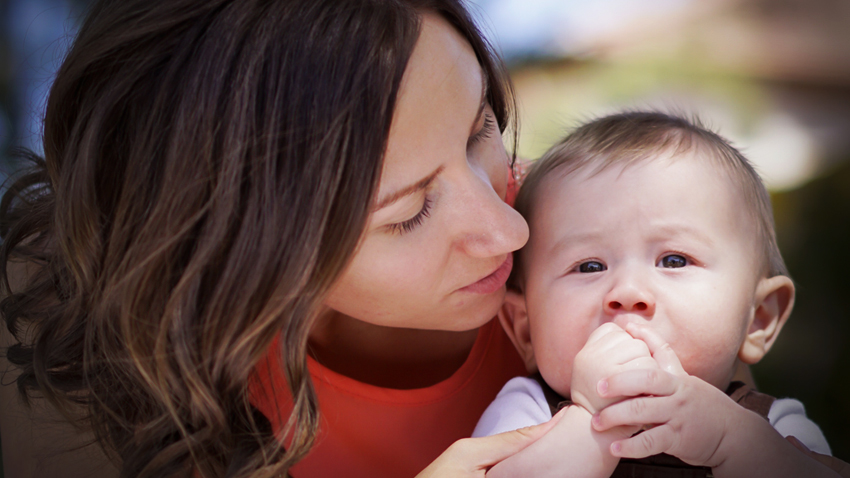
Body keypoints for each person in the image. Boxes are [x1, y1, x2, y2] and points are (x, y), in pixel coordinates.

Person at [0, 1, 556, 477]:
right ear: (243, 251)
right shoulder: (191, 385)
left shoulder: (600, 247)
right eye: (407, 214)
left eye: (481, 129)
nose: (511, 229)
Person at [473, 111, 845, 477]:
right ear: (525, 328)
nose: (629, 292)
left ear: (758, 318)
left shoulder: (775, 425)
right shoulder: (527, 412)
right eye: (589, 266)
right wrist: (588, 423)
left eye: (674, 260)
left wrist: (730, 442)